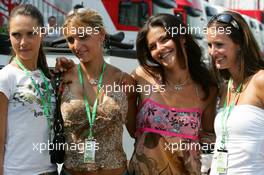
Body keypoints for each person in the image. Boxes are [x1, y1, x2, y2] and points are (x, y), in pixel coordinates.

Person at [128, 13, 217, 175]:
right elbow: (132, 129)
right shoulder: (141, 76)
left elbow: (210, 137)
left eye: (164, 39)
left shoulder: (207, 89)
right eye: (152, 46)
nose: (160, 49)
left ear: (181, 37)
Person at [57, 8, 137, 175]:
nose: (76, 46)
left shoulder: (123, 80)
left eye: (83, 36)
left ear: (100, 34)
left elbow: (136, 131)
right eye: (71, 39)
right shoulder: (63, 78)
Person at [0, 4, 58, 175]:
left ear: (42, 33)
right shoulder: (5, 77)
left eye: (31, 34)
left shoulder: (49, 77)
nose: (23, 42)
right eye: (16, 35)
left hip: (51, 171)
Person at [206, 11, 264, 175]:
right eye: (209, 45)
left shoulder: (260, 81)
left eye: (219, 44)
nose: (212, 51)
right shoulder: (225, 87)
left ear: (239, 44)